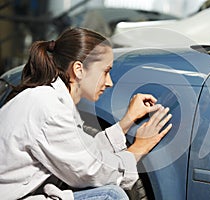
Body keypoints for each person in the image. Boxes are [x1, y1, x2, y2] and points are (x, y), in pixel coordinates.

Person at [0, 27, 172, 200]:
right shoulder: (49, 108)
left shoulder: (48, 98)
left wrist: (125, 123)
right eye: (106, 71)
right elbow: (91, 172)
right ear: (79, 69)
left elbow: (82, 153)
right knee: (111, 196)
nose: (110, 82)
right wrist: (138, 148)